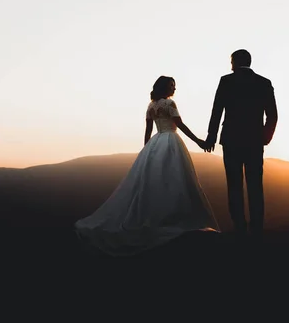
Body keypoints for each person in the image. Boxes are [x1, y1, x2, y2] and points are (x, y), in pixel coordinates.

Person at [75, 76, 219, 256]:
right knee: (175, 180)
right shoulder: (169, 104)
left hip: (155, 143)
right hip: (170, 142)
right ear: (165, 87)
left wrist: (146, 150)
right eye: (172, 85)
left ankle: (159, 216)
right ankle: (172, 218)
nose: (174, 88)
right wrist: (199, 141)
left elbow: (148, 131)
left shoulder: (151, 106)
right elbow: (180, 125)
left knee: (155, 182)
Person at [205, 49, 278, 241]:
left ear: (235, 63)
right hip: (254, 141)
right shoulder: (264, 82)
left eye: (231, 62)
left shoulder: (226, 81)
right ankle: (257, 229)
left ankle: (240, 228)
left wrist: (211, 136)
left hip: (231, 140)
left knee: (234, 185)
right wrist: (265, 137)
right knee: (255, 185)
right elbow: (273, 115)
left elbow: (217, 110)